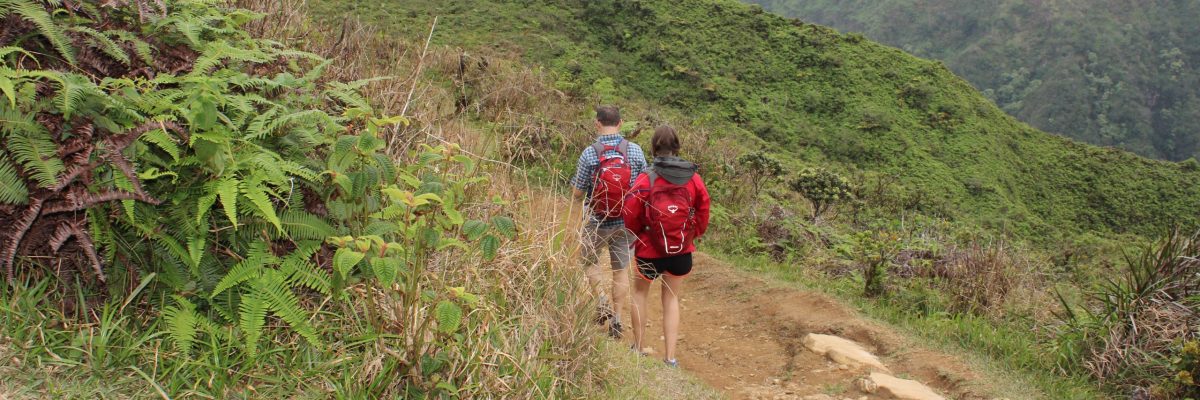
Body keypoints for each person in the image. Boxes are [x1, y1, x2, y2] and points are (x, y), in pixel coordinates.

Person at [623, 125, 710, 368]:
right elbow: (704, 209)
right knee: (671, 299)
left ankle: (638, 348)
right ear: (677, 147)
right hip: (681, 250)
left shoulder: (646, 178)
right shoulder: (694, 178)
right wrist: (693, 234)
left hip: (649, 250)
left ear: (653, 148)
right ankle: (670, 358)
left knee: (640, 293)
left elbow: (629, 212)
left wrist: (639, 234)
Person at [571, 105, 647, 338]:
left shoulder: (590, 153)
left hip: (597, 219)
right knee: (620, 270)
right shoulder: (634, 151)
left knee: (589, 261)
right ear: (621, 123)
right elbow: (644, 185)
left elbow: (577, 192)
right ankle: (617, 318)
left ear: (597, 123)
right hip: (626, 222)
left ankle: (601, 299)